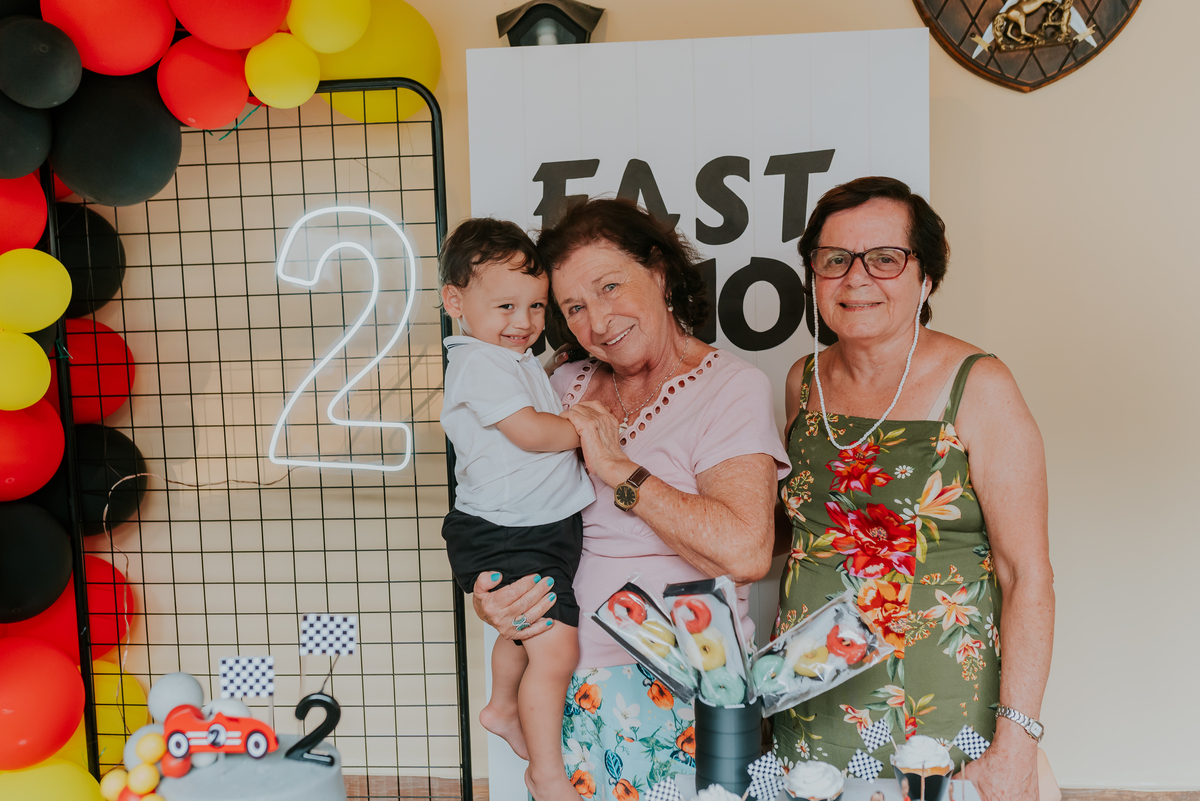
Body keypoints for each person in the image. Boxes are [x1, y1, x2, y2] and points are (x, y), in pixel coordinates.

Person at [470, 198, 790, 799]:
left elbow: (745, 551)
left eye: (610, 286)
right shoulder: (562, 383)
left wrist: (622, 470)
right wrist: (497, 597)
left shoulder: (731, 387)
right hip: (561, 684)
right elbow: (512, 507)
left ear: (660, 272)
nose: (598, 320)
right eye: (574, 308)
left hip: (682, 685)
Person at [772, 177, 1057, 801]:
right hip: (809, 705)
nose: (856, 278)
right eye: (833, 260)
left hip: (941, 713)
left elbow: (1026, 574)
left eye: (885, 259)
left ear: (925, 276)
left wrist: (1017, 746)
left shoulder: (980, 385)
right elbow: (795, 542)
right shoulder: (803, 381)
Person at [438, 218, 596, 801]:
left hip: (529, 527)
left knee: (527, 631)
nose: (524, 322)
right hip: (507, 530)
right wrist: (583, 427)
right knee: (556, 649)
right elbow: (530, 433)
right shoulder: (478, 363)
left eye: (536, 307)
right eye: (506, 305)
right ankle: (547, 774)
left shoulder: (513, 359)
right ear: (456, 301)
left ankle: (504, 707)